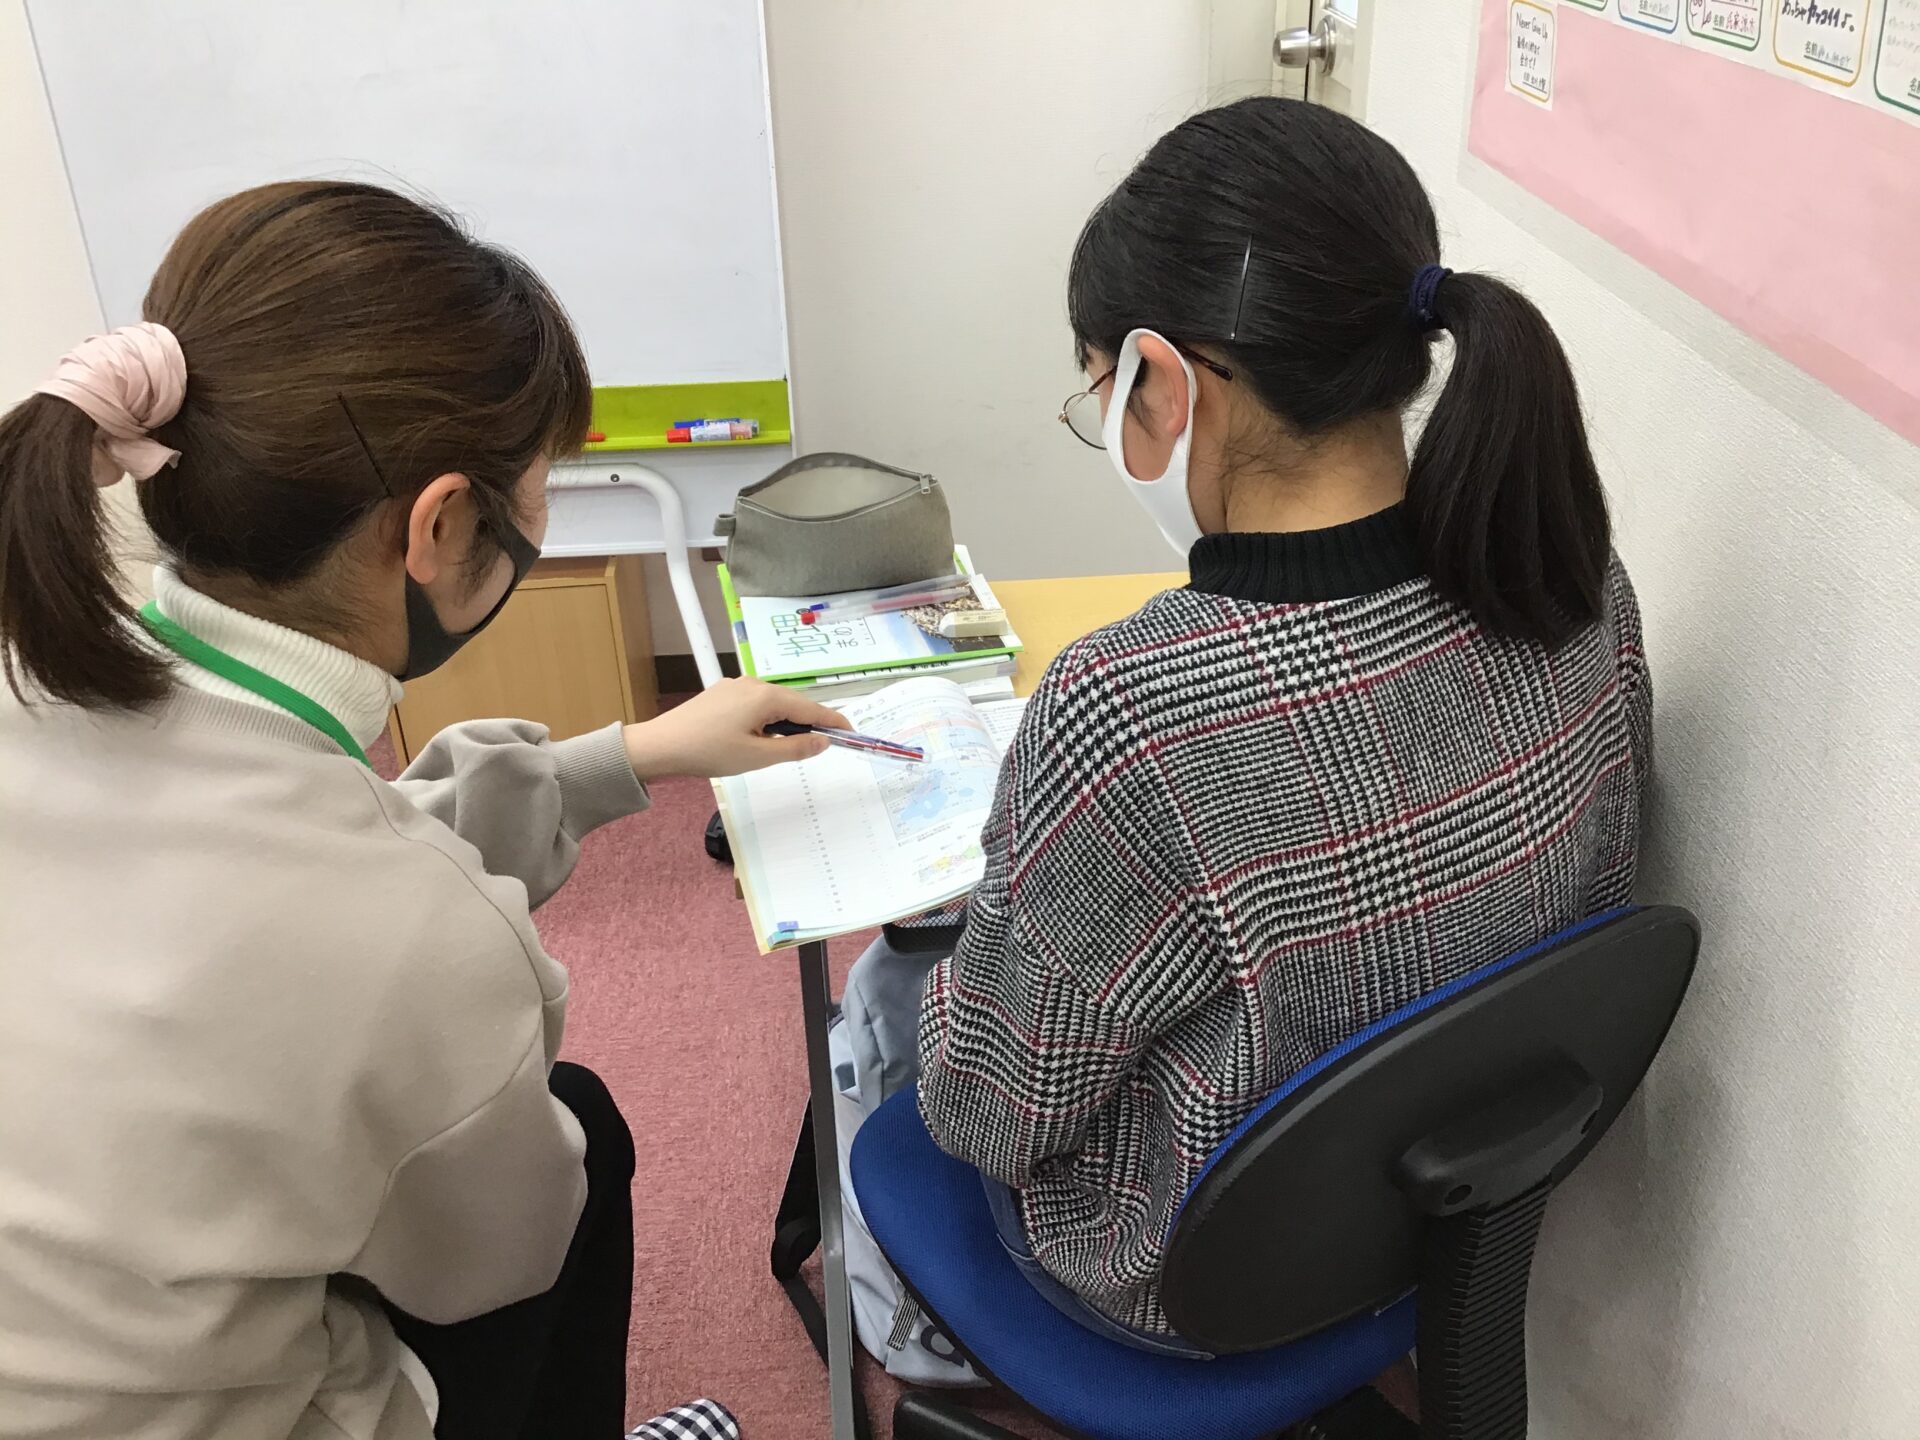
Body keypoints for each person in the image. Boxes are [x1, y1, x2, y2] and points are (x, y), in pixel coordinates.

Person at [0, 181, 847, 1440]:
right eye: (542, 486)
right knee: (580, 1139)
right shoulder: (419, 934)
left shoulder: (54, 663)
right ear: (442, 524)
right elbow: (497, 1257)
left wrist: (631, 755)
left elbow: (306, 863)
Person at [851, 97, 1651, 1352]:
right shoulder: (1564, 572)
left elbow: (988, 1113)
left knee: (889, 991)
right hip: (1453, 1206)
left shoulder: (1128, 709)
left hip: (1197, 1275)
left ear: (1167, 384)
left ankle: (910, 1337)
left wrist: (1007, 905)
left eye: (1103, 391)